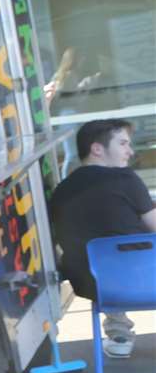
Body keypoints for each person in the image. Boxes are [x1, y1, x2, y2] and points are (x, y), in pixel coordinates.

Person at [48, 119, 156, 358]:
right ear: (97, 149)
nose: (130, 151)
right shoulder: (126, 180)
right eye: (123, 144)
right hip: (148, 282)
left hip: (94, 287)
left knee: (105, 259)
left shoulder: (60, 191)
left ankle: (119, 336)